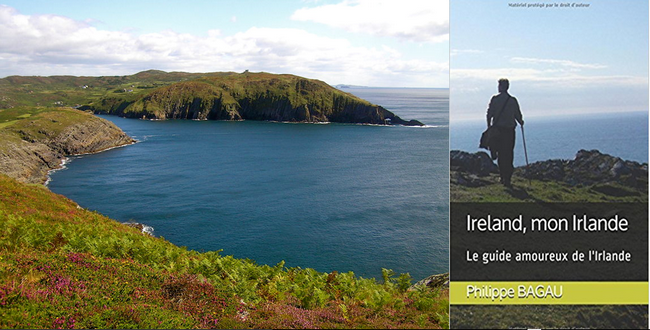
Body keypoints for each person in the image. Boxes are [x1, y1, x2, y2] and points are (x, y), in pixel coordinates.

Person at [486, 78, 524, 188]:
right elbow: (518, 115)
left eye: (499, 85)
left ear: (501, 87)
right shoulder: (512, 100)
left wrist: (489, 128)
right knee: (509, 153)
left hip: (498, 131)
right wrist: (521, 122)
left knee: (500, 154)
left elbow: (489, 115)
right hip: (509, 131)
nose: (498, 87)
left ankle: (503, 176)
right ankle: (508, 177)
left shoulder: (495, 99)